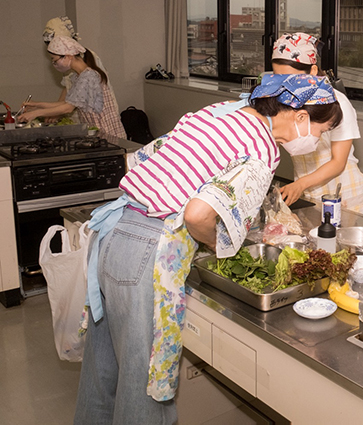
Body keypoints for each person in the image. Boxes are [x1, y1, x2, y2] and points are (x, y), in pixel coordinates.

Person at [73, 74, 342, 424]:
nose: (318, 140)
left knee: (102, 375)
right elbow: (197, 213)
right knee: (144, 388)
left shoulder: (224, 112)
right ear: (301, 117)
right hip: (147, 253)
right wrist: (215, 242)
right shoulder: (261, 150)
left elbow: (145, 159)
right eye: (321, 132)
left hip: (114, 233)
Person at [268, 33, 363, 214]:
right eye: (278, 77)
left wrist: (300, 185)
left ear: (313, 71)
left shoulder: (338, 103)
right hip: (305, 187)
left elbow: (338, 162)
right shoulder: (284, 101)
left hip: (342, 188)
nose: (284, 84)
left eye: (291, 78)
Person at [18, 36, 127, 139]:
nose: (54, 64)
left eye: (55, 60)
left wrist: (35, 113)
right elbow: (67, 103)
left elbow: (68, 108)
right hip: (97, 134)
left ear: (68, 56)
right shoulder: (78, 76)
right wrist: (37, 105)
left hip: (109, 134)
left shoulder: (89, 76)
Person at [41, 16, 118, 123]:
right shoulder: (68, 62)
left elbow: (70, 104)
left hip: (100, 118)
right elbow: (68, 87)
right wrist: (52, 111)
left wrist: (53, 111)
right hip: (84, 116)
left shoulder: (86, 62)